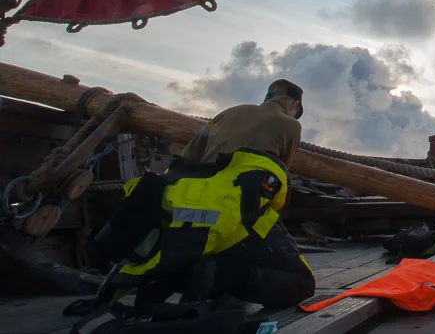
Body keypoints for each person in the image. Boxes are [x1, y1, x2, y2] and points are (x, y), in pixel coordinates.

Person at [83, 80, 316, 316]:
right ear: (295, 105)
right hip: (238, 212)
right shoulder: (290, 125)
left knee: (213, 241)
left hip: (186, 212)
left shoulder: (228, 113)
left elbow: (186, 160)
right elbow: (279, 179)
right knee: (301, 282)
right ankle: (211, 273)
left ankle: (184, 270)